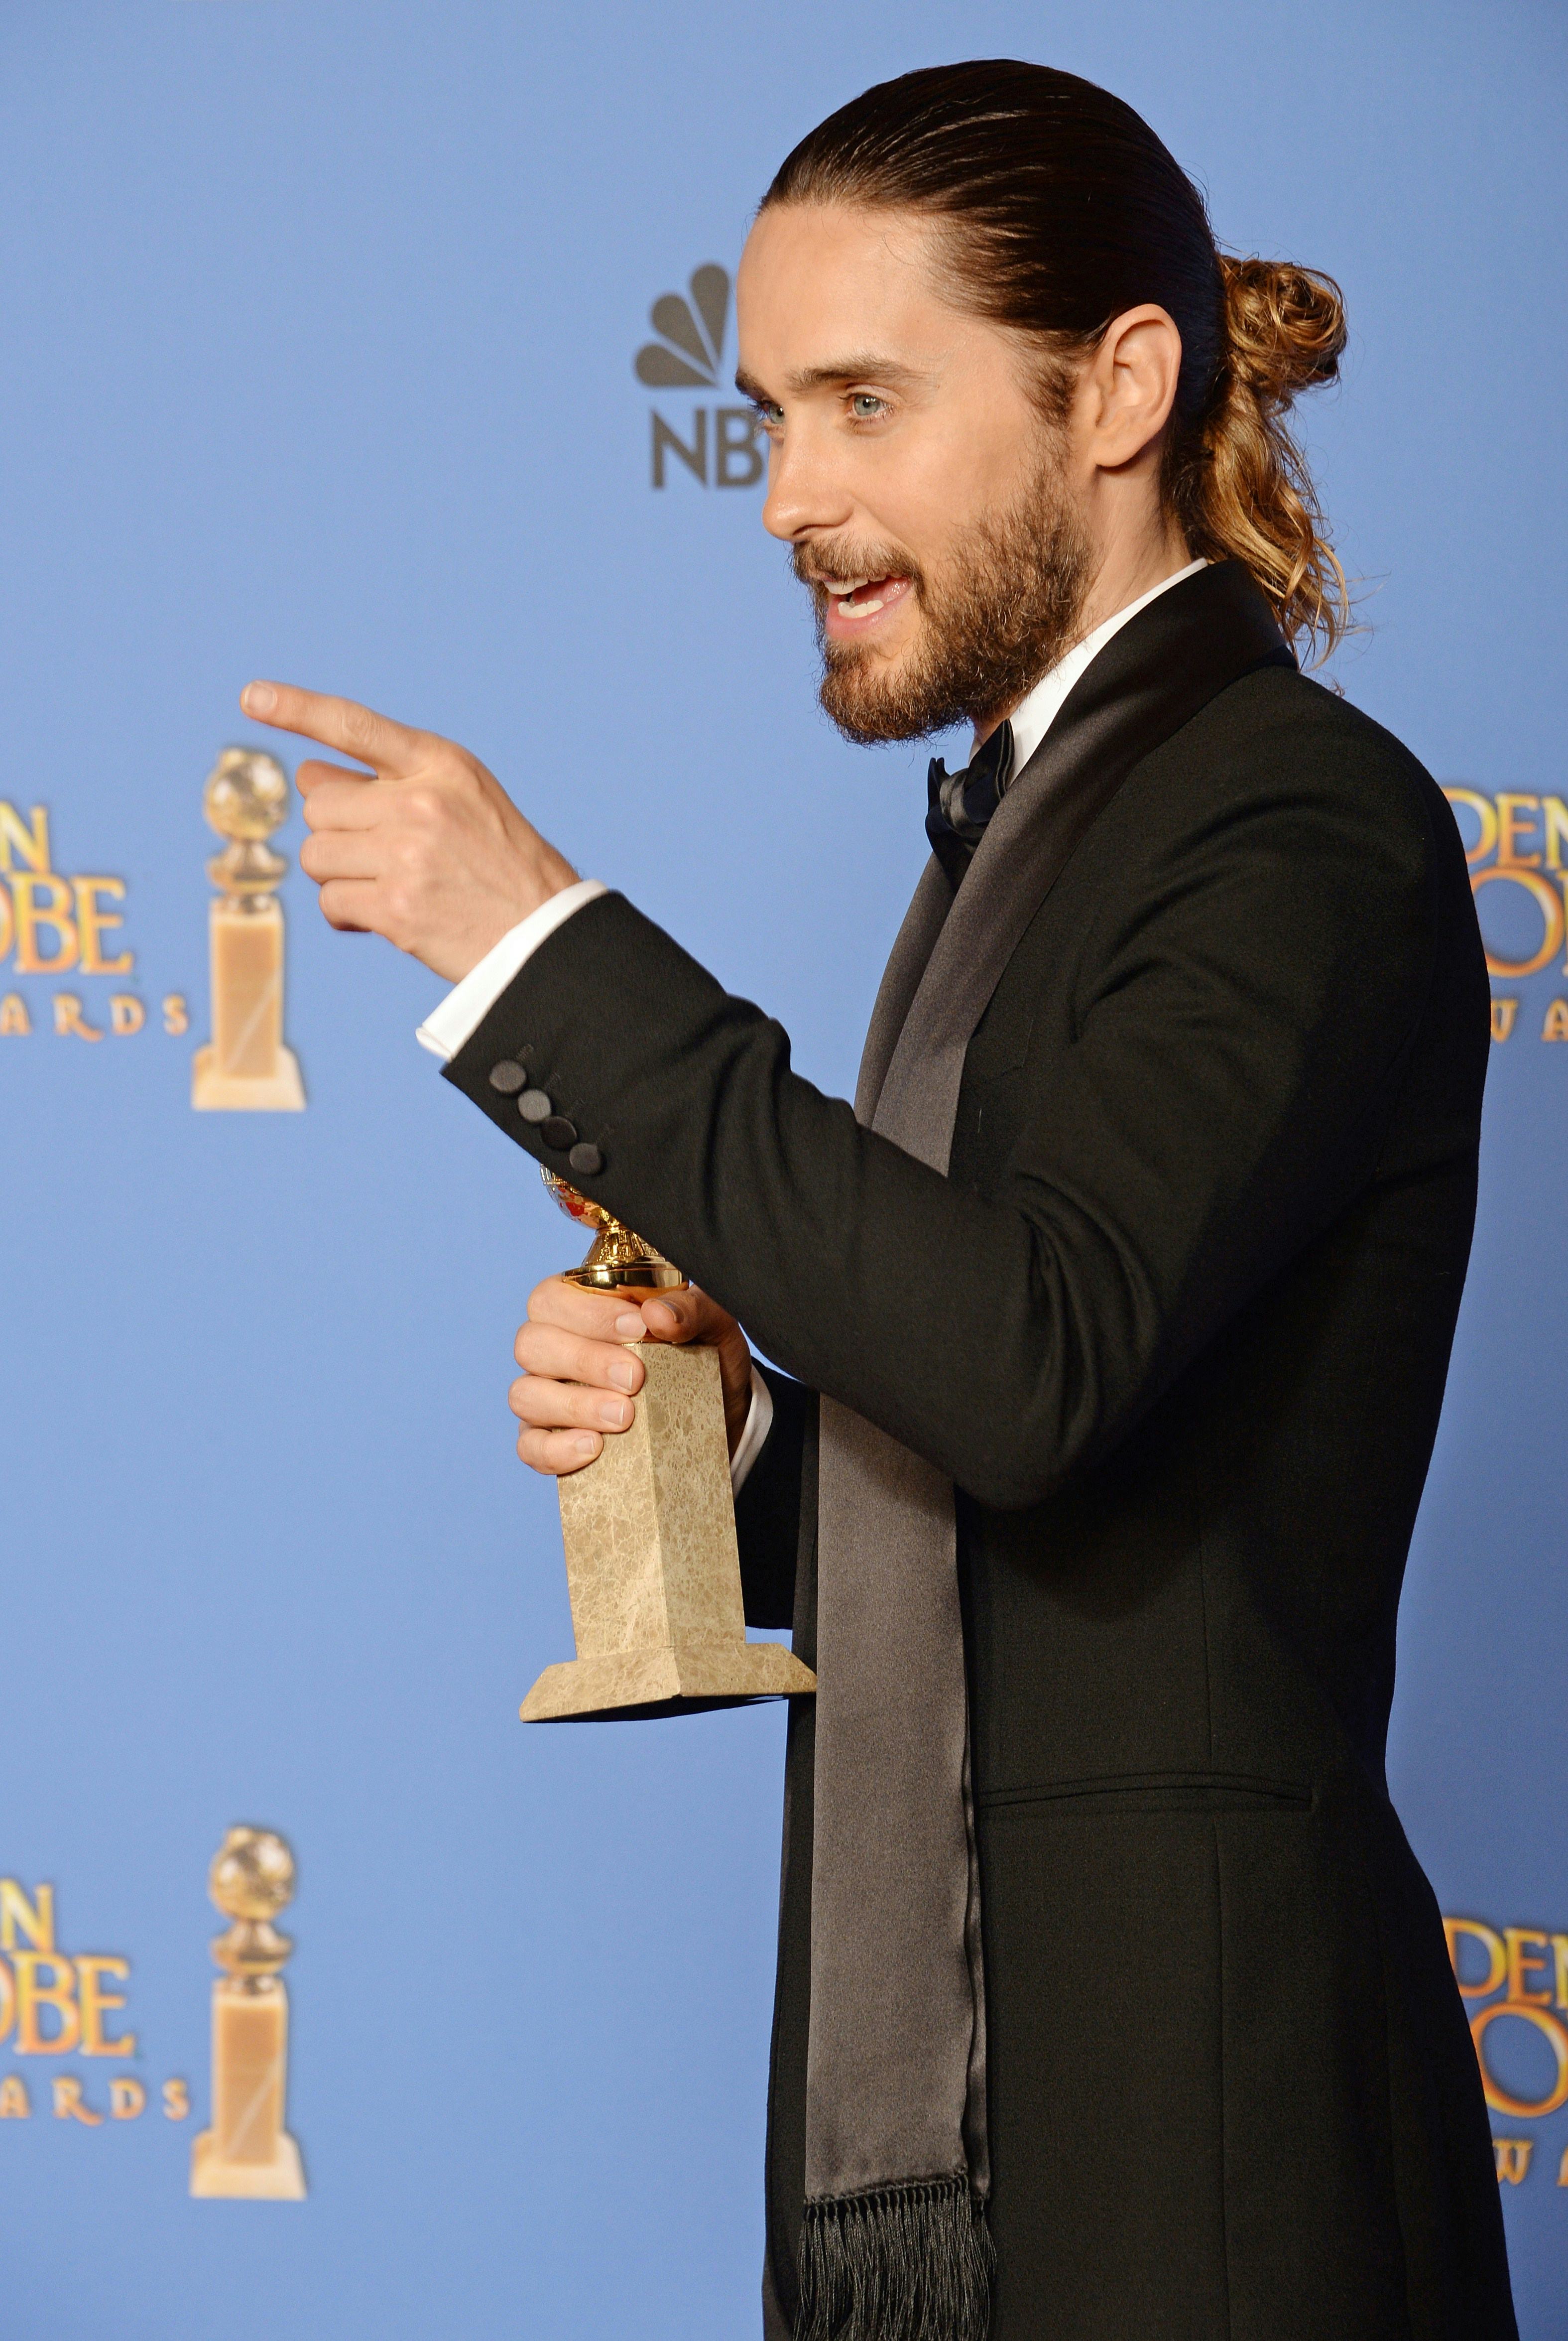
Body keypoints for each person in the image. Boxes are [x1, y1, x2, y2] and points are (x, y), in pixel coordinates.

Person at [239, 60, 1514, 2341]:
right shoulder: (1023, 840)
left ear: (1115, 386)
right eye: (766, 417)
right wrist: (733, 1438)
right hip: (952, 2159)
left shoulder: (1288, 821)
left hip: (1195, 2158)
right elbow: (1028, 1452)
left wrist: (536, 943)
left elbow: (1031, 1365)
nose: (786, 496)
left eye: (860, 402)